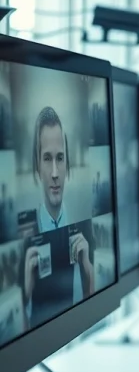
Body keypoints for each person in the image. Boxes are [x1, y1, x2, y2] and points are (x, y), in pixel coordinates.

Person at [23, 107, 94, 327]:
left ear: (68, 164)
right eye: (47, 159)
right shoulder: (25, 240)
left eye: (60, 158)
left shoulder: (84, 229)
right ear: (37, 166)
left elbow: (93, 313)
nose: (55, 173)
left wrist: (88, 273)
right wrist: (24, 295)